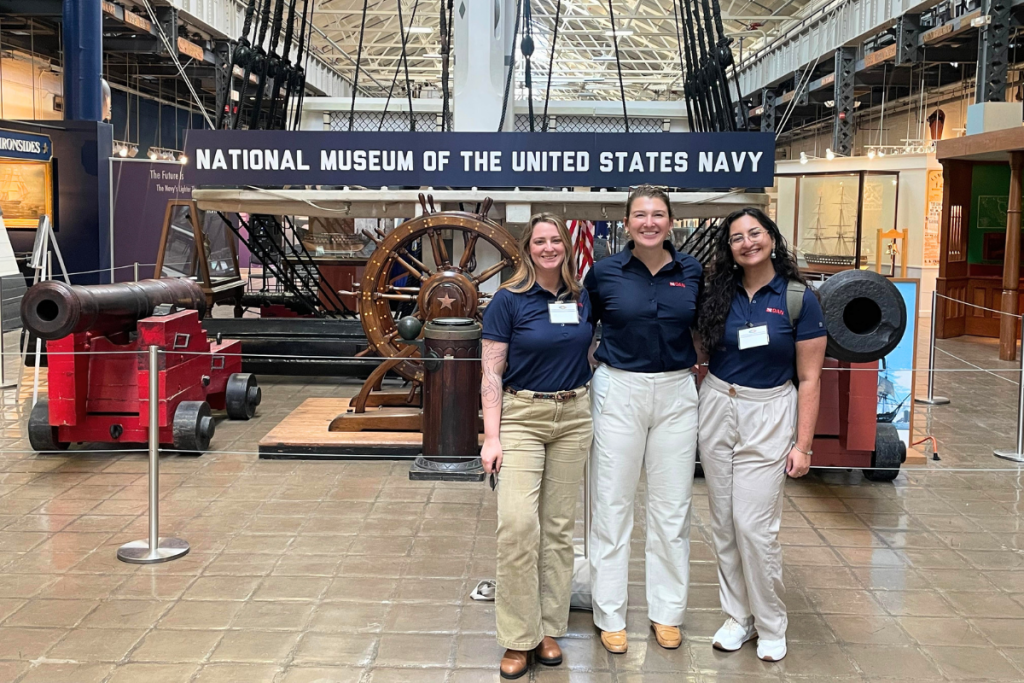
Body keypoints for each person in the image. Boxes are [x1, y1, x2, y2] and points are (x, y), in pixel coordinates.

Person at [694, 207, 827, 663]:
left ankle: (771, 623)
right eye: (737, 237)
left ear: (771, 237)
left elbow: (810, 378)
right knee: (724, 523)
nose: (747, 242)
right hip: (717, 403)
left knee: (755, 525)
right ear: (728, 248)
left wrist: (802, 445)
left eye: (755, 233)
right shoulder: (718, 294)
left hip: (768, 410)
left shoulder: (797, 298)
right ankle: (739, 617)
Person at [584, 185, 703, 654]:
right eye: (640, 215)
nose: (649, 222)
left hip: (676, 392)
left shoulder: (691, 271)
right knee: (612, 507)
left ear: (671, 221)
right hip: (620, 390)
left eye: (657, 214)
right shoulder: (604, 272)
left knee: (672, 510)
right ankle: (610, 614)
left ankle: (667, 612)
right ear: (627, 222)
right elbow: (581, 327)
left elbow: (705, 326)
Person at [480, 212, 595, 680]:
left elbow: (587, 353)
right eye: (540, 242)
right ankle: (517, 636)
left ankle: (549, 628)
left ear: (566, 247)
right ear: (528, 249)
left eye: (556, 241)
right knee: (517, 525)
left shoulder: (582, 298)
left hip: (573, 416)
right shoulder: (508, 300)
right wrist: (492, 436)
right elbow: (491, 371)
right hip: (522, 417)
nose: (549, 248)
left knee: (558, 528)